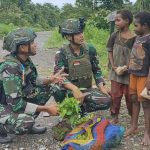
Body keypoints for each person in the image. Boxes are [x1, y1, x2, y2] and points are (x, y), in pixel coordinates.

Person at [0, 28, 61, 144]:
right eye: (32, 43)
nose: (35, 45)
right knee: (25, 122)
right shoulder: (11, 67)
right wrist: (46, 109)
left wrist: (50, 80)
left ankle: (27, 121)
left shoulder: (25, 61)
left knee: (48, 88)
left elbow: (33, 80)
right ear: (22, 47)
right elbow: (16, 104)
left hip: (10, 102)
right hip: (4, 104)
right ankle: (2, 129)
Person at [53, 18, 111, 113]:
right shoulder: (61, 53)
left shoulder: (90, 49)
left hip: (86, 89)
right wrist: (74, 89)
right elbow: (58, 75)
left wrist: (101, 86)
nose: (81, 36)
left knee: (106, 101)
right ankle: (66, 110)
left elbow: (97, 70)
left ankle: (83, 109)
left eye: (81, 32)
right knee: (56, 90)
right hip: (69, 91)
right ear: (68, 37)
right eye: (77, 34)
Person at [125, 11, 150, 146]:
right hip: (133, 74)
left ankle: (147, 132)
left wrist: (149, 79)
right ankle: (134, 126)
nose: (133, 28)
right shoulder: (138, 37)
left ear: (145, 26)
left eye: (136, 25)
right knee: (134, 99)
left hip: (144, 76)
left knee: (146, 104)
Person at [107, 10, 136, 124]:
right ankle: (114, 115)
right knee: (115, 95)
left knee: (130, 97)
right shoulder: (114, 35)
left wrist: (128, 67)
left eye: (118, 20)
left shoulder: (135, 37)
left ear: (127, 21)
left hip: (129, 73)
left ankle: (132, 116)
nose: (116, 22)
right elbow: (109, 50)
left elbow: (137, 55)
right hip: (115, 73)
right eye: (115, 20)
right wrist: (113, 65)